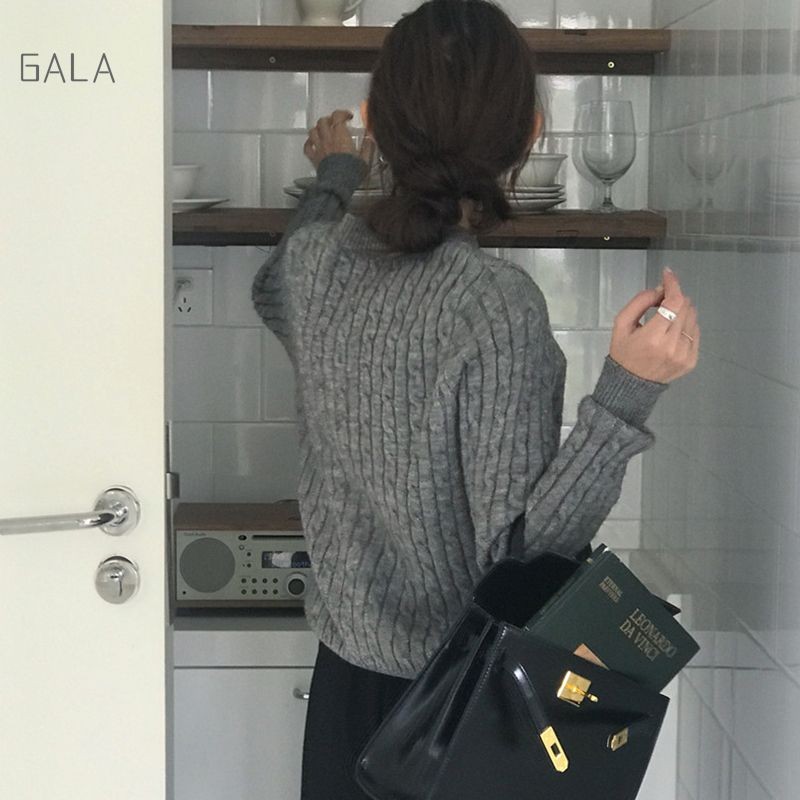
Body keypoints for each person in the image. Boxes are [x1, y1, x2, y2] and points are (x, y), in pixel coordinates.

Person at [251, 1, 700, 797]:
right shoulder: (494, 307)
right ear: (530, 135)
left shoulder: (315, 267)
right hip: (457, 710)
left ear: (373, 122)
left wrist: (337, 174)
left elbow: (272, 284)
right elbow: (522, 560)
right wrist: (628, 393)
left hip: (344, 694)